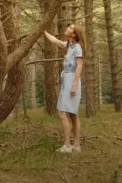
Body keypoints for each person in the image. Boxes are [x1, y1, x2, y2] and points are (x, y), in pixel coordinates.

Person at [44, 24, 86, 153]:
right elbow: (55, 41)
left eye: (70, 28)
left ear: (73, 34)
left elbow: (79, 66)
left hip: (72, 80)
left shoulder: (77, 48)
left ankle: (67, 145)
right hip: (66, 80)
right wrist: (43, 30)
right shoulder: (69, 46)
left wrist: (73, 85)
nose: (67, 28)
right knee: (73, 114)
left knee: (62, 113)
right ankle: (76, 145)